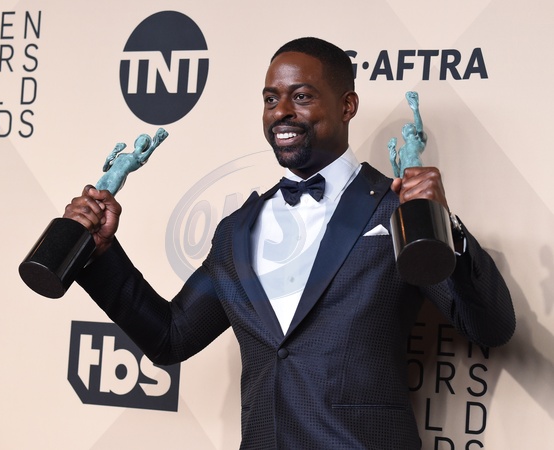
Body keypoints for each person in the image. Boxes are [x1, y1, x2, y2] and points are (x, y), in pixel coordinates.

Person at [64, 37, 515, 449]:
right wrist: (100, 253)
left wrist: (442, 223)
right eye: (270, 99)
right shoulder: (235, 231)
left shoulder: (395, 212)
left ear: (347, 106)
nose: (281, 111)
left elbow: (490, 327)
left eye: (301, 96)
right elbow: (171, 336)